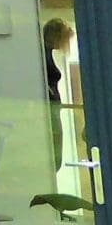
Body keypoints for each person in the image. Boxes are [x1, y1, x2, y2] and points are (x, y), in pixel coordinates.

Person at [42, 18, 73, 169]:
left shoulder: (45, 53)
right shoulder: (43, 55)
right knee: (55, 154)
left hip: (53, 108)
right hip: (51, 109)